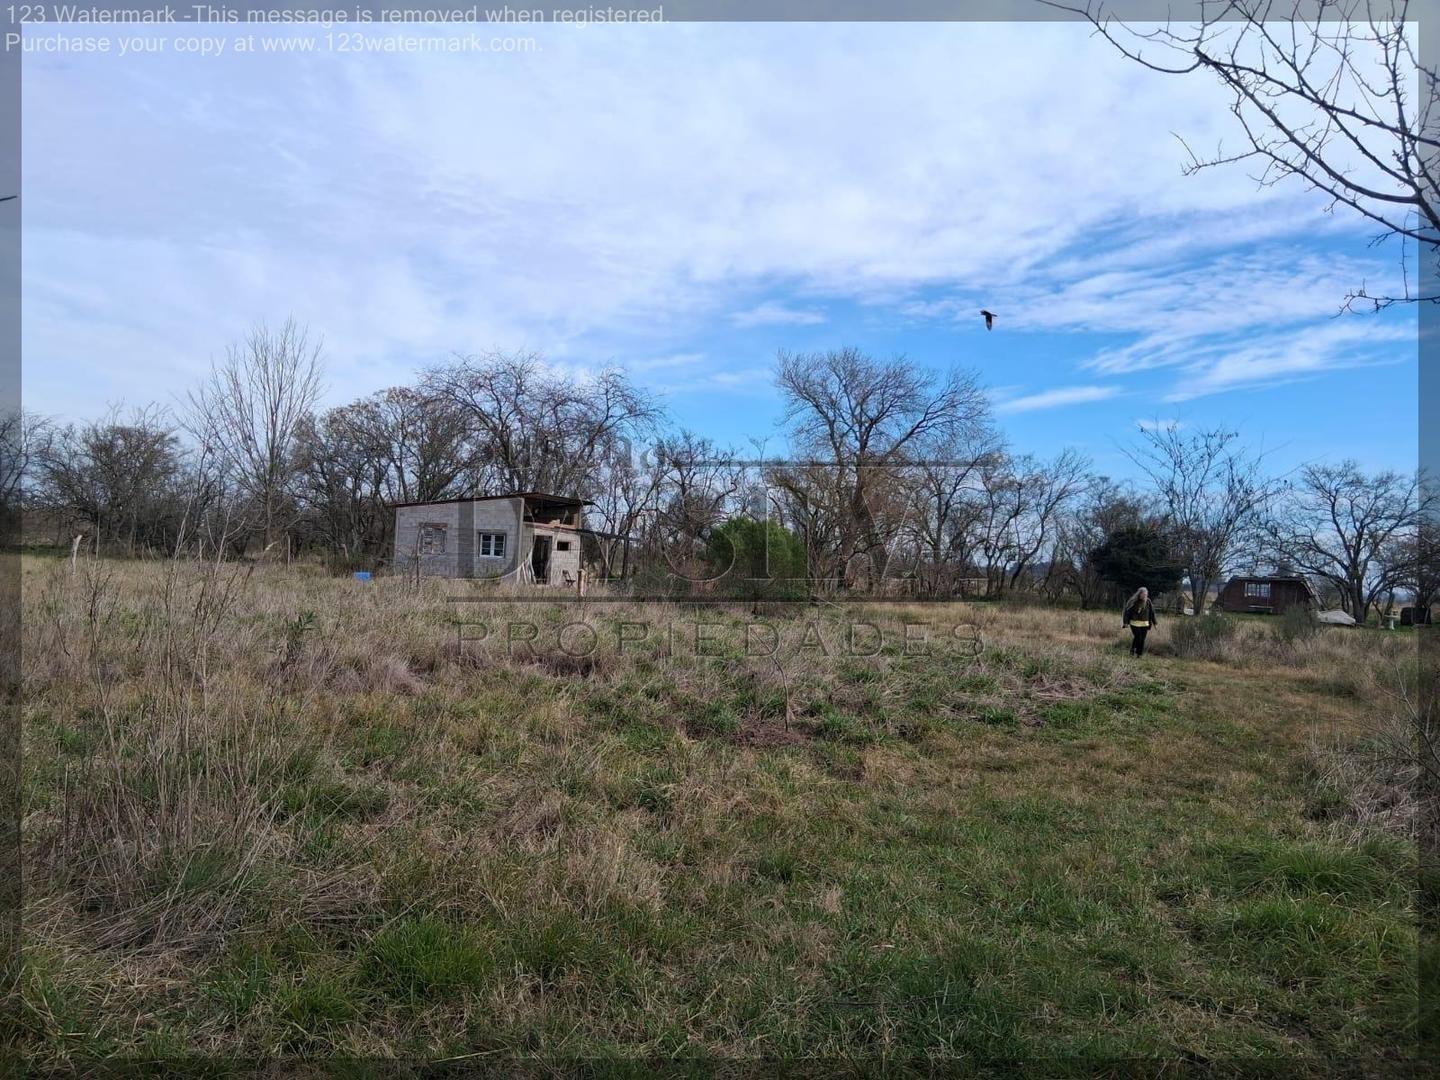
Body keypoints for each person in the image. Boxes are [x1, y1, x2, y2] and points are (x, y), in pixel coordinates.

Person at [1122, 587, 1156, 657]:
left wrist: (1155, 623)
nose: (1144, 596)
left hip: (1145, 623)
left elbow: (1152, 613)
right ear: (1139, 594)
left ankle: (1139, 654)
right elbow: (1127, 612)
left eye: (1146, 594)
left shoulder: (1148, 601)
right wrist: (1126, 622)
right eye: (1143, 594)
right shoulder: (1133, 601)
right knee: (1138, 637)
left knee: (1142, 639)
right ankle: (1133, 649)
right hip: (1134, 623)